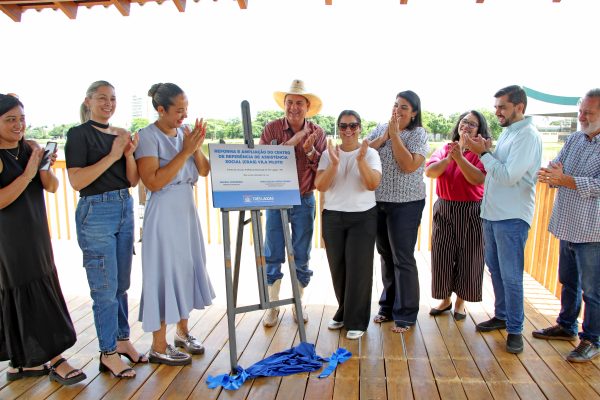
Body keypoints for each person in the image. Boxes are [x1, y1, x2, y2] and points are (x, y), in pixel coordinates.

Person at [0, 94, 86, 385]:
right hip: (9, 239)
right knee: (24, 290)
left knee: (40, 284)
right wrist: (27, 173)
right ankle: (56, 359)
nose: (18, 124)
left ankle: (22, 363)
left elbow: (51, 186)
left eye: (21, 118)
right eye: (10, 119)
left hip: (35, 231)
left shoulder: (31, 148)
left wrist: (45, 165)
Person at [65, 81, 145, 378]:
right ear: (88, 101)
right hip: (96, 210)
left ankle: (123, 341)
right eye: (102, 98)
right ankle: (108, 352)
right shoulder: (78, 135)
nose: (108, 103)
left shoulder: (121, 134)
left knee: (122, 283)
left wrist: (127, 154)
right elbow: (77, 181)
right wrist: (112, 155)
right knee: (105, 288)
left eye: (112, 98)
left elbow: (133, 180)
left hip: (125, 206)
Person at [135, 82, 215, 366]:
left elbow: (204, 171)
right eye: (178, 110)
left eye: (186, 110)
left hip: (186, 210)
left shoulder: (184, 134)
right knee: (163, 272)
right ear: (160, 109)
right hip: (164, 212)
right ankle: (158, 345)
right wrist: (183, 151)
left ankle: (182, 332)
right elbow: (153, 182)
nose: (183, 115)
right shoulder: (147, 136)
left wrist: (194, 146)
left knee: (186, 269)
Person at [465, 85, 542, 354]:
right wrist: (485, 151)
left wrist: (483, 154)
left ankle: (515, 330)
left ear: (519, 107)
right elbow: (498, 168)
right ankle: (502, 316)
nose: (496, 111)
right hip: (493, 214)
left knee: (511, 276)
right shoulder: (509, 132)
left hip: (512, 217)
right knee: (496, 270)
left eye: (502, 107)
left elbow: (509, 176)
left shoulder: (527, 136)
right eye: (496, 106)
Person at [532, 88, 600, 362]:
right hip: (568, 223)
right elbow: (556, 166)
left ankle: (592, 339)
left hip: (593, 230)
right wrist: (550, 173)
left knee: (593, 291)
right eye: (581, 110)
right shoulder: (574, 139)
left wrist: (565, 179)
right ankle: (566, 324)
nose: (582, 116)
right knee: (568, 281)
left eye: (589, 112)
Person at [259, 79, 327, 327]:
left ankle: (298, 305)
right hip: (275, 200)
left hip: (305, 199)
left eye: (299, 103)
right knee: (273, 252)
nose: (294, 107)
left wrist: (309, 150)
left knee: (301, 253)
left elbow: (323, 169)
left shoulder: (319, 132)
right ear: (284, 105)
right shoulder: (271, 128)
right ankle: (273, 307)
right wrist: (297, 138)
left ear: (307, 106)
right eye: (290, 102)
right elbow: (264, 161)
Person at [315, 110, 382, 340]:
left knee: (359, 270)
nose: (348, 130)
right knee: (339, 269)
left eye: (353, 126)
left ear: (360, 128)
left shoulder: (370, 154)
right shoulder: (328, 154)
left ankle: (358, 321)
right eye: (343, 126)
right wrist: (334, 164)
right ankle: (343, 312)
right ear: (338, 128)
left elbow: (372, 184)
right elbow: (321, 186)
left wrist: (360, 160)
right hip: (333, 217)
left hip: (362, 217)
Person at [368, 90, 429, 334]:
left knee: (402, 257)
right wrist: (384, 136)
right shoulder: (380, 128)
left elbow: (408, 165)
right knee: (385, 254)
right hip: (378, 201)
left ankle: (406, 314)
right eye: (396, 105)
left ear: (414, 112)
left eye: (404, 107)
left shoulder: (418, 134)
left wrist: (395, 137)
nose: (398, 110)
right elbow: (365, 152)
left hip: (407, 203)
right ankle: (387, 306)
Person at [425, 111, 489, 320]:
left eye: (473, 124)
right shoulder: (445, 148)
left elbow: (477, 179)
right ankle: (445, 300)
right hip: (444, 207)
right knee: (442, 255)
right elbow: (431, 172)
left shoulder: (482, 153)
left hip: (471, 209)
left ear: (479, 130)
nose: (467, 126)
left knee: (469, 257)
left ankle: (461, 302)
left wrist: (460, 158)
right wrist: (451, 157)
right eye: (464, 122)